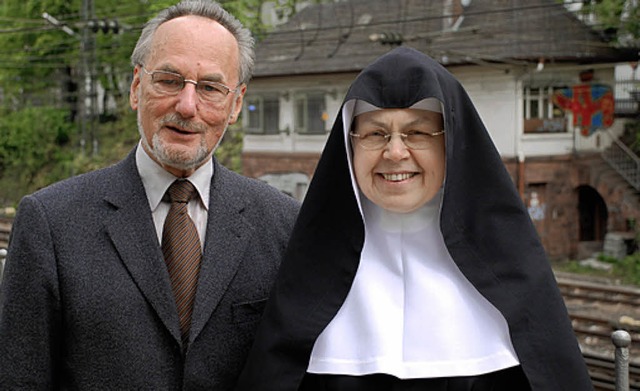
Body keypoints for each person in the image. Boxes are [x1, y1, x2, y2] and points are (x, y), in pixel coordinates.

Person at [235, 47, 593, 390]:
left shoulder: (514, 278)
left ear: (450, 143)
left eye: (418, 132)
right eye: (375, 133)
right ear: (350, 146)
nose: (394, 152)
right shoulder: (306, 279)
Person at [0, 1, 299, 389]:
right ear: (137, 87)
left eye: (210, 87)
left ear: (235, 104)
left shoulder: (282, 224)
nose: (187, 106)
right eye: (170, 80)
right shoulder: (50, 223)